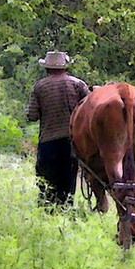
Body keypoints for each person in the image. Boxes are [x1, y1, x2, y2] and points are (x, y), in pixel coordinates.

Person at [25, 51, 89, 207]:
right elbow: (89, 108)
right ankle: (66, 209)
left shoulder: (39, 86)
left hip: (48, 141)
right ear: (65, 67)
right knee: (68, 180)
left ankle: (47, 210)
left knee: (46, 181)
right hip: (71, 142)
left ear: (47, 68)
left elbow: (31, 115)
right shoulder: (78, 84)